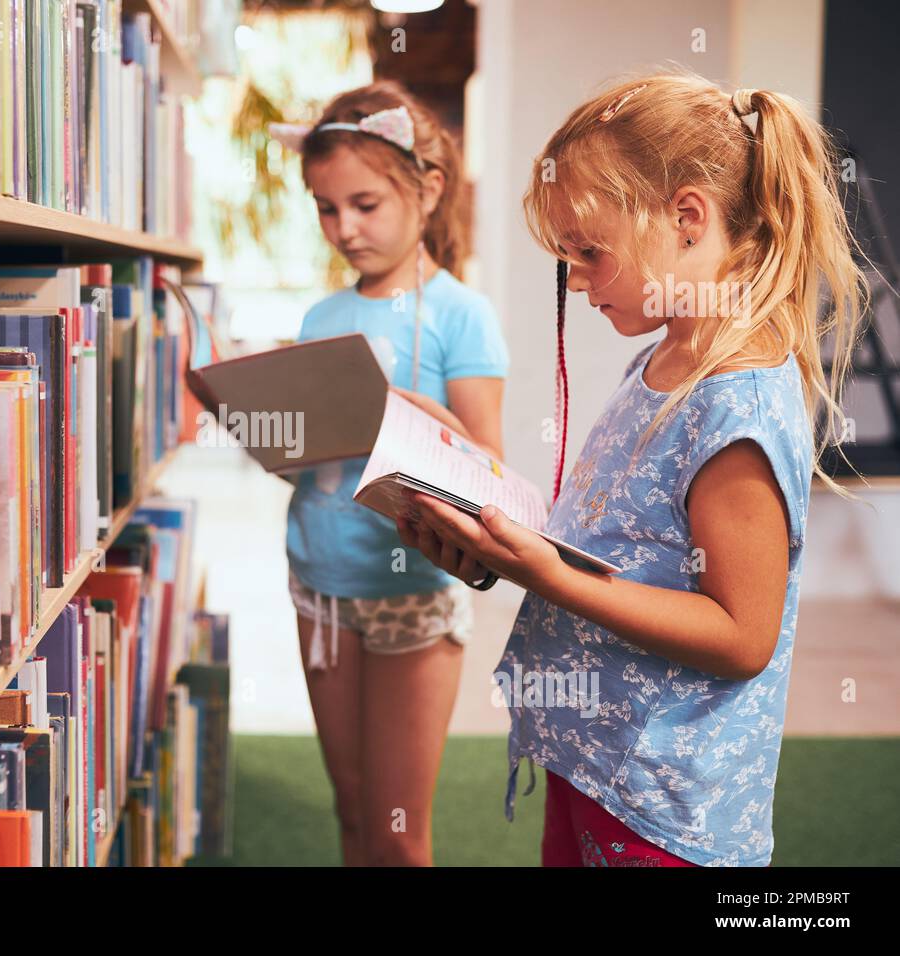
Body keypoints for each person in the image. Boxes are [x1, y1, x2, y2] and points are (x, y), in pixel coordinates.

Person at [398, 74, 865, 866]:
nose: (575, 280)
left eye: (588, 252)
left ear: (687, 218)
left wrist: (548, 577)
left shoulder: (735, 403)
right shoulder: (662, 359)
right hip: (599, 763)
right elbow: (620, 538)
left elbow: (741, 635)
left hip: (665, 808)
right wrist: (470, 483)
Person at [269, 81, 510, 866]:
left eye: (365, 204)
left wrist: (400, 412)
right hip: (319, 579)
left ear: (428, 189)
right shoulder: (320, 319)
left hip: (411, 593)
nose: (345, 228)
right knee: (352, 808)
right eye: (325, 207)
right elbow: (304, 469)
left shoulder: (460, 313)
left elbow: (490, 472)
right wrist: (269, 425)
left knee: (399, 833)